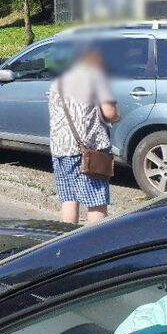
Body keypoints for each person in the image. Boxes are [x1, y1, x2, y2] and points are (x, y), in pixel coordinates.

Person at [48, 47, 120, 225]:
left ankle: (66, 239)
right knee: (96, 201)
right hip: (88, 150)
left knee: (69, 197)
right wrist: (118, 117)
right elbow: (109, 113)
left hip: (60, 149)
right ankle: (95, 245)